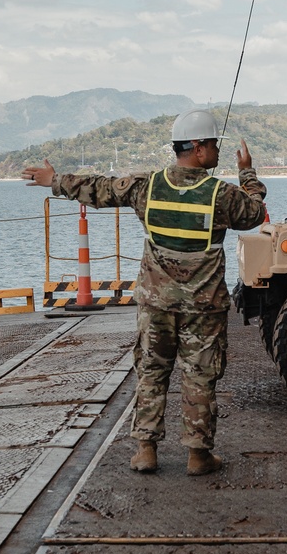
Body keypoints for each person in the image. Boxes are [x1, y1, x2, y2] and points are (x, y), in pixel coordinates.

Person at [22, 111, 267, 476]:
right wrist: (248, 173)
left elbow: (100, 189)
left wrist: (55, 180)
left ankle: (145, 450)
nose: (217, 151)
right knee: (199, 377)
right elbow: (255, 213)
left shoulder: (146, 186)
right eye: (214, 144)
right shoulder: (223, 195)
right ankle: (198, 455)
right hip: (203, 309)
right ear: (198, 148)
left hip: (155, 305)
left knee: (151, 371)